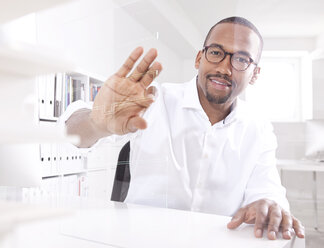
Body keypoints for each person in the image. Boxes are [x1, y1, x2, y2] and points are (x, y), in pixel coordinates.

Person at [64, 16, 305, 240]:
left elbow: (267, 191)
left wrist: (269, 205)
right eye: (216, 52)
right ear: (199, 58)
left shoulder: (259, 129)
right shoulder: (152, 100)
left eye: (241, 59)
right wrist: (98, 122)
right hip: (141, 240)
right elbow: (70, 136)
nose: (225, 67)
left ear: (255, 74)